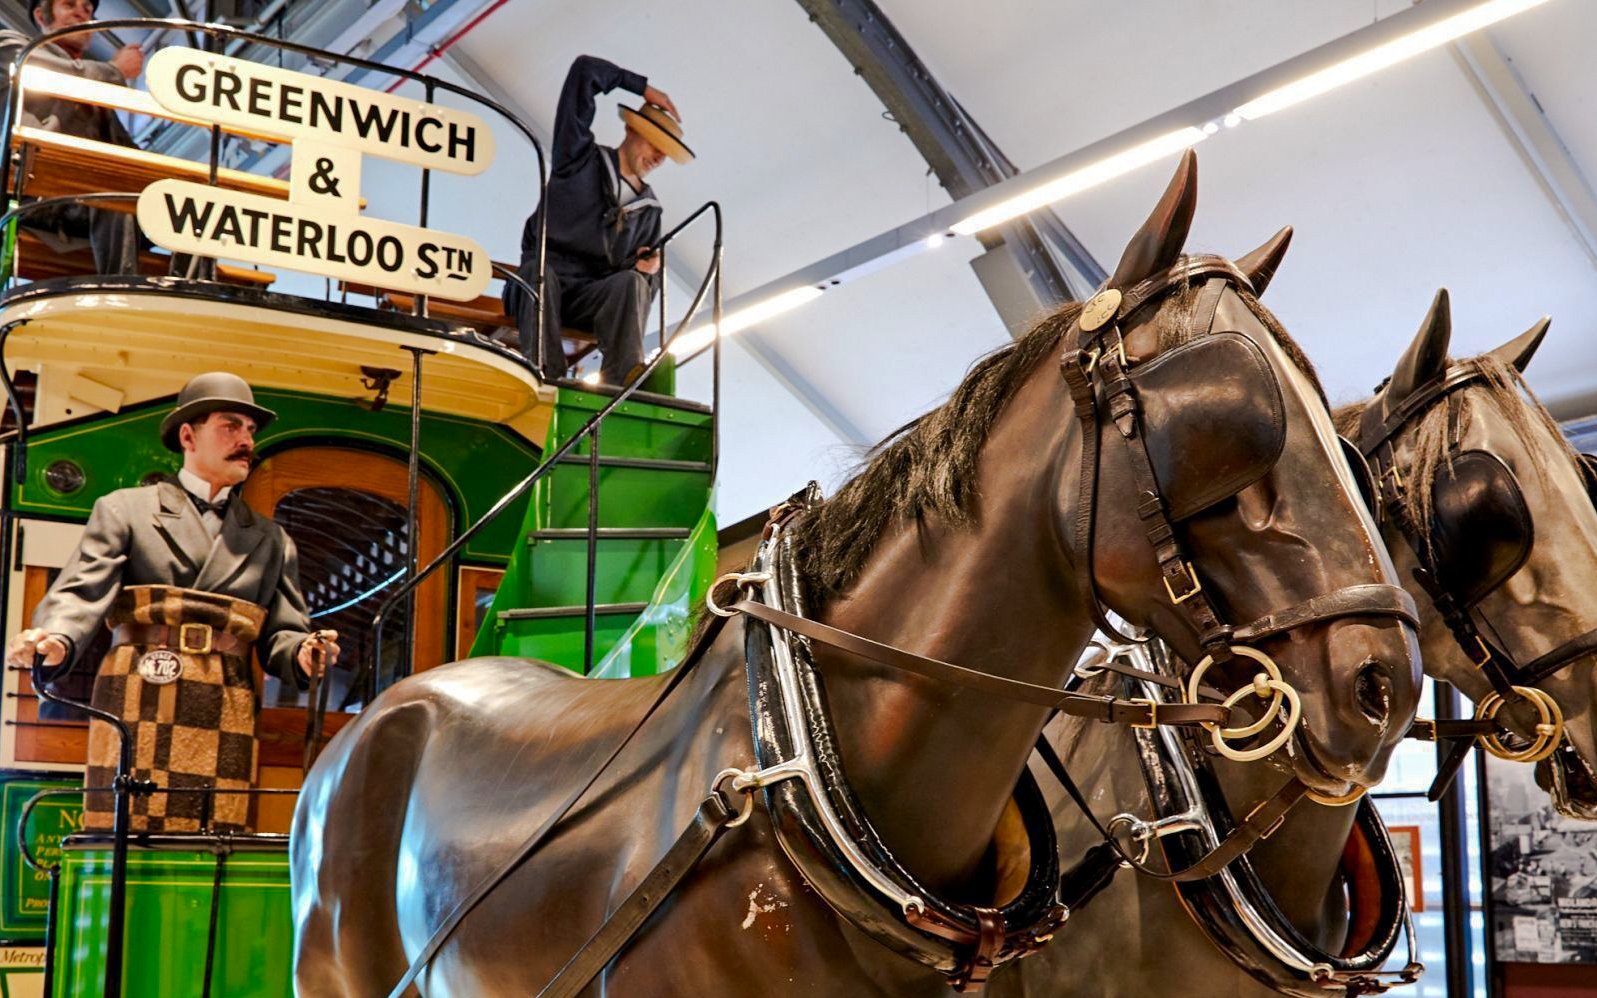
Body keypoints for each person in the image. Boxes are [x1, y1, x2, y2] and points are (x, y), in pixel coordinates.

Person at [4, 372, 339, 833]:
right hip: (135, 696)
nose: (246, 439)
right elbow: (81, 591)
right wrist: (57, 638)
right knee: (122, 830)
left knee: (213, 836)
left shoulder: (271, 540)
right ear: (188, 436)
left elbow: (284, 630)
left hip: (225, 706)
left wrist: (303, 652)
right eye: (231, 425)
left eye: (250, 430)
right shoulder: (126, 510)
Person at [504, 55, 694, 385]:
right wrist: (642, 87)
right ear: (632, 128)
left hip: (589, 300)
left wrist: (644, 272)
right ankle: (548, 381)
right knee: (538, 273)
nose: (660, 158)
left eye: (666, 153)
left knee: (632, 283)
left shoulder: (649, 212)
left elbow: (636, 299)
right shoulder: (577, 159)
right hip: (538, 288)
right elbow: (583, 71)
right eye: (655, 144)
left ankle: (622, 386)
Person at [0, 0, 149, 274]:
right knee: (112, 190)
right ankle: (116, 294)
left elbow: (129, 151)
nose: (81, 12)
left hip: (84, 207)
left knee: (177, 211)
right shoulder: (12, 46)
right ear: (40, 15)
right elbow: (61, 73)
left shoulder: (96, 97)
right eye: (69, 5)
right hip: (28, 193)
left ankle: (202, 296)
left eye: (88, 9)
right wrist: (115, 71)